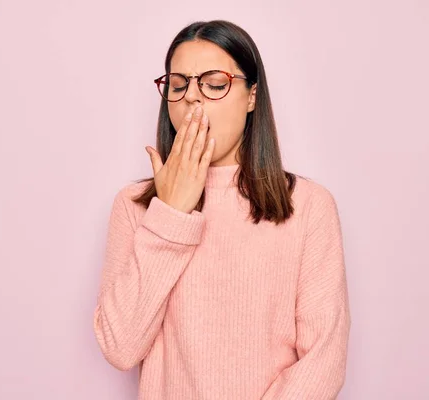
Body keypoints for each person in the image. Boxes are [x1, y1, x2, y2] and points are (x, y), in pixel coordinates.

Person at [93, 19, 351, 400]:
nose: (192, 99)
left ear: (251, 97)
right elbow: (120, 347)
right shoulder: (136, 207)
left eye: (214, 85)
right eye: (179, 86)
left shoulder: (309, 207)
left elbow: (323, 360)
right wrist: (171, 214)